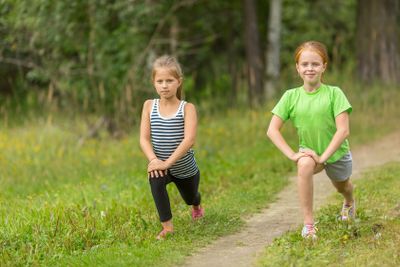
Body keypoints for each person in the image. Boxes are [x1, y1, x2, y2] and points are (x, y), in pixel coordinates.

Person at [266, 41, 355, 240]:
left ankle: (349, 200)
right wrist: (293, 154)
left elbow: (343, 131)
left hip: (335, 152)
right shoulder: (290, 96)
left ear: (324, 66)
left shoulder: (334, 93)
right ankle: (308, 225)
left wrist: (323, 157)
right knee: (304, 164)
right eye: (304, 64)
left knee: (342, 186)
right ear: (297, 68)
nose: (310, 68)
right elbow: (272, 130)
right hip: (310, 153)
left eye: (315, 64)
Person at [140, 55, 204, 240]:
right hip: (160, 164)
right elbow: (144, 139)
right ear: (154, 83)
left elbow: (189, 140)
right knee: (155, 177)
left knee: (190, 197)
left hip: (185, 169)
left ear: (179, 82)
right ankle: (167, 227)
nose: (164, 85)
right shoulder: (149, 106)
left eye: (169, 80)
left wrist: (166, 163)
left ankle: (197, 206)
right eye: (160, 81)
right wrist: (154, 161)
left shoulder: (187, 108)